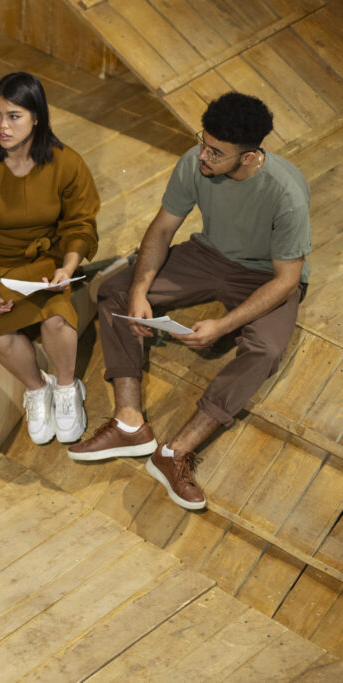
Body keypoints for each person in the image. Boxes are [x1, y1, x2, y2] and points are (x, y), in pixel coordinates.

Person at [68, 93, 311, 511]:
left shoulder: (286, 193)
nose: (203, 155)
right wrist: (140, 293)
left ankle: (174, 453)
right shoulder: (195, 163)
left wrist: (224, 325)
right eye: (203, 141)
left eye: (217, 152)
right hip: (208, 255)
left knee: (266, 350)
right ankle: (129, 422)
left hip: (264, 275)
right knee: (115, 292)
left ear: (250, 158)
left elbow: (287, 280)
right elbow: (161, 231)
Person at [0, 72, 99, 446]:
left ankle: (65, 387)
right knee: (2, 339)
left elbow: (80, 223)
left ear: (36, 119)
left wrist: (68, 267)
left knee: (58, 321)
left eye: (14, 116)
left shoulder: (66, 163)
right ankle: (36, 388)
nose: (2, 125)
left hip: (48, 260)